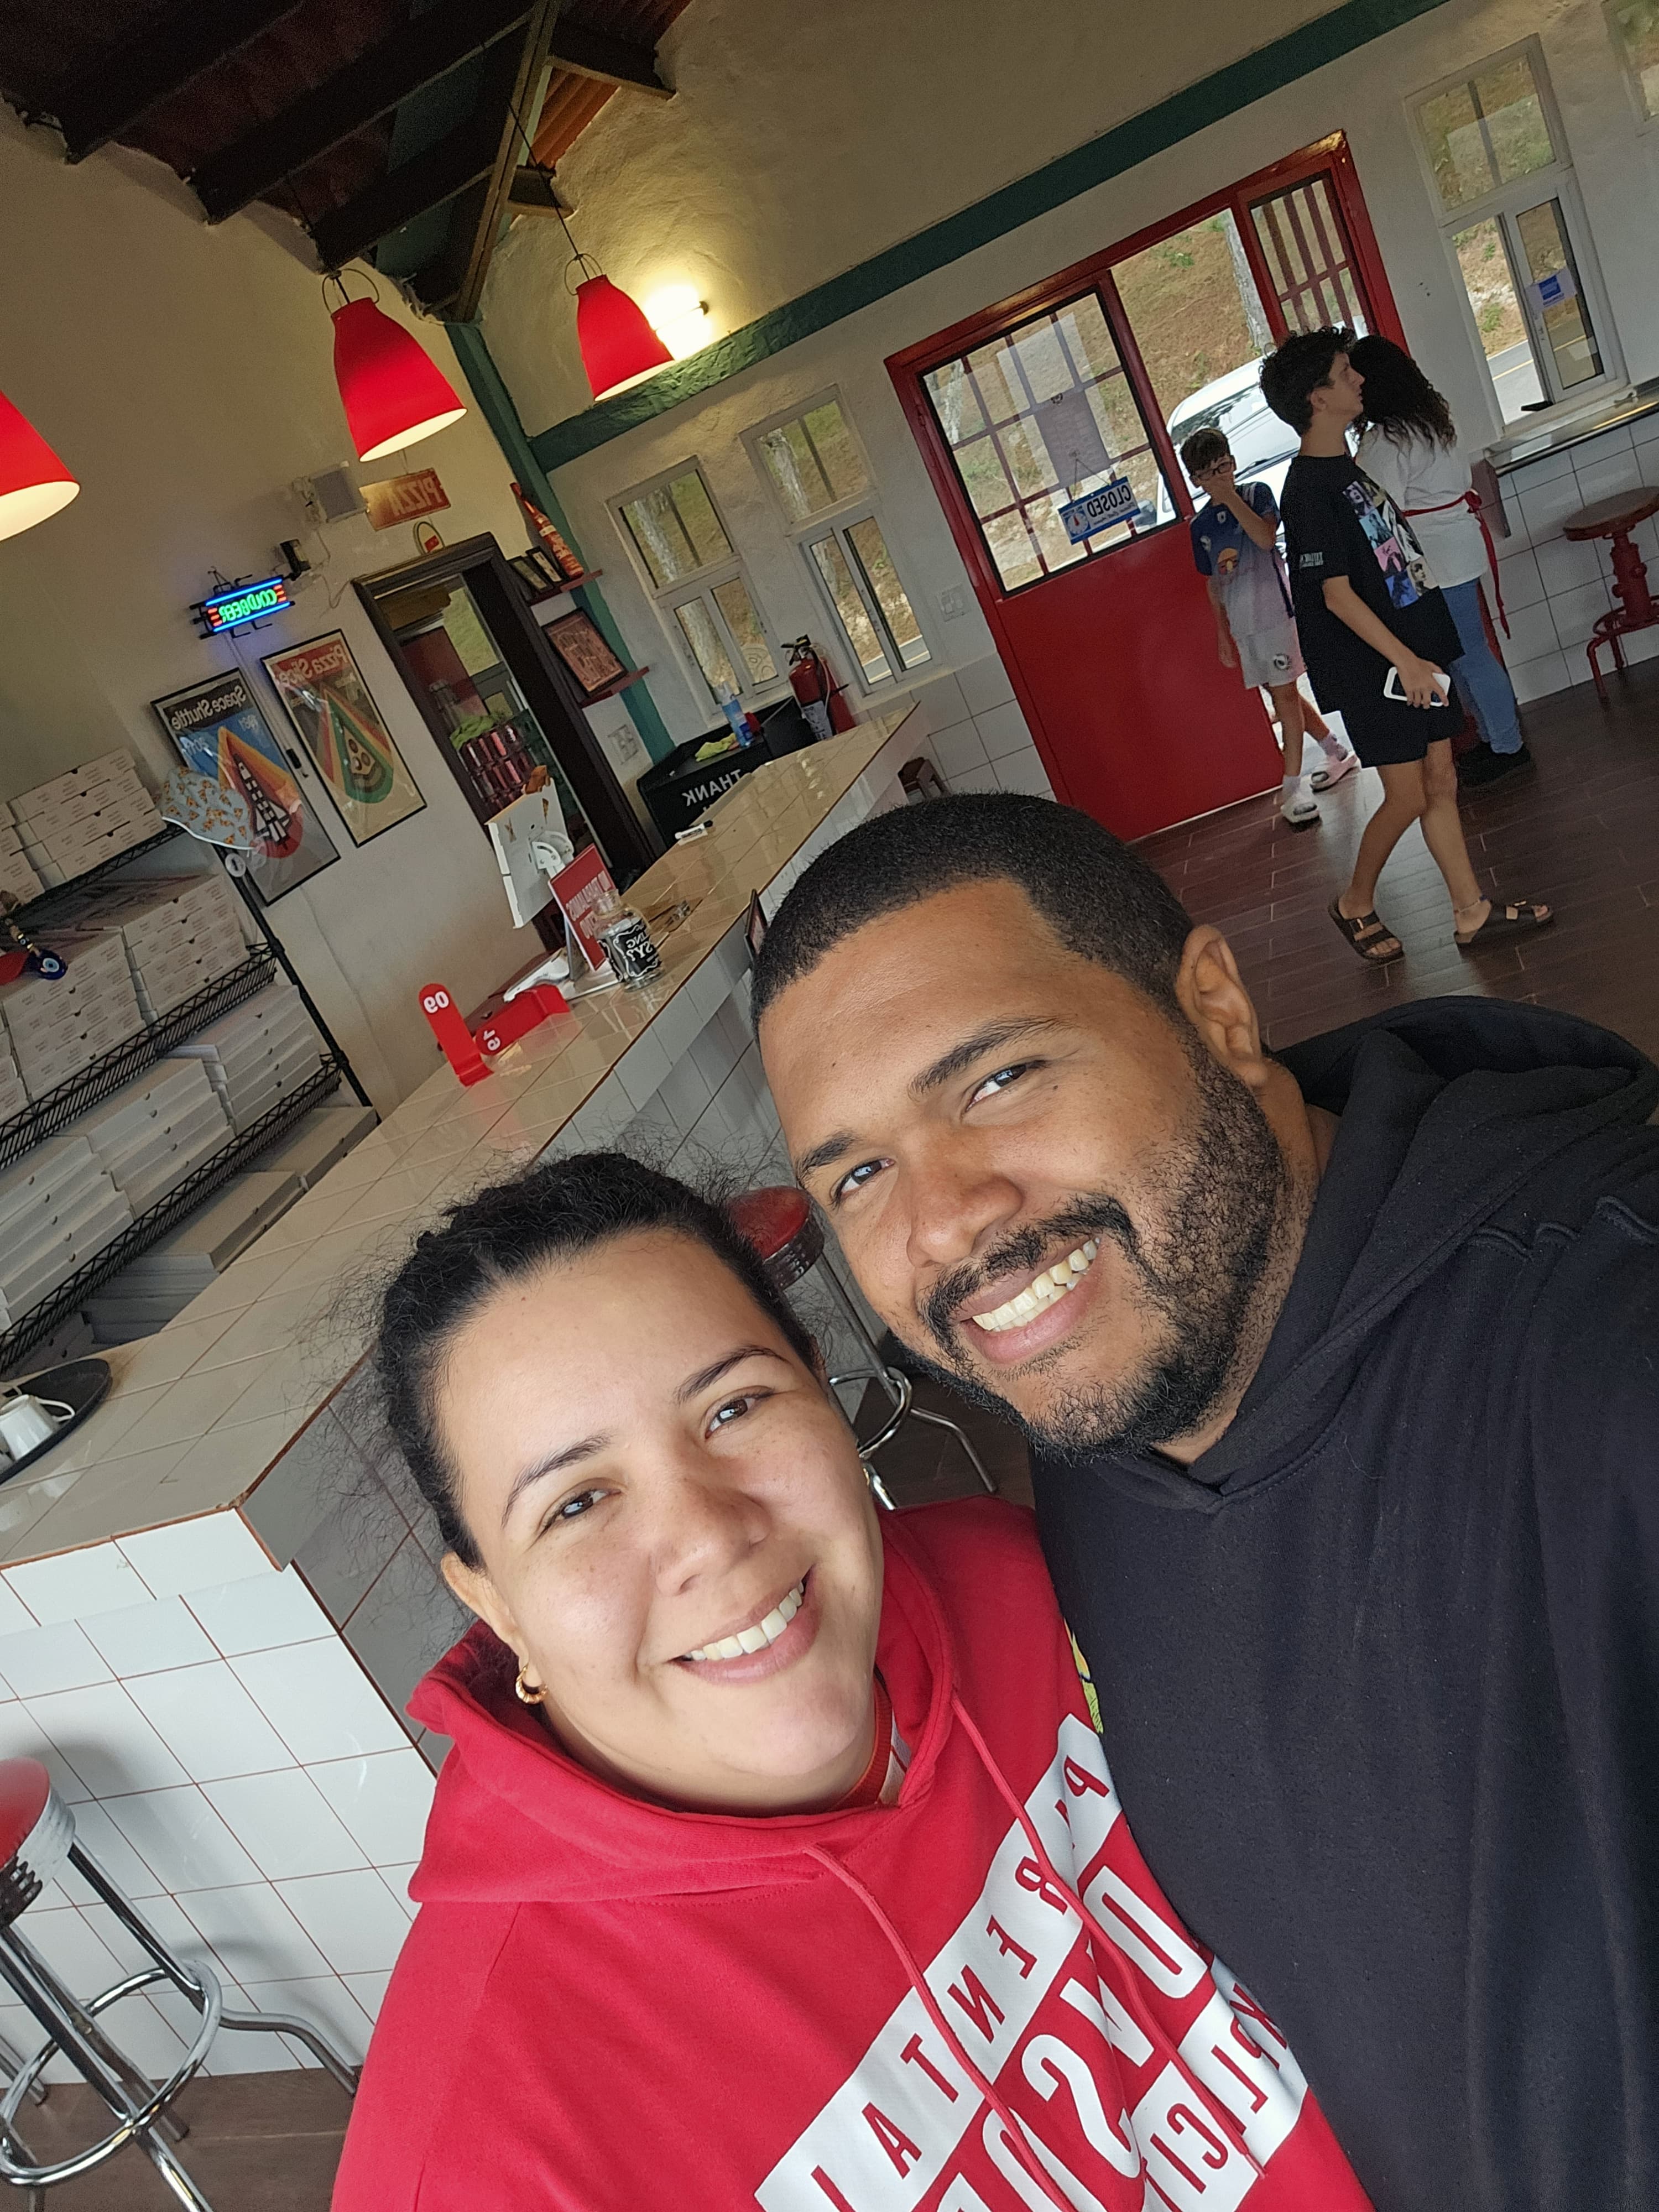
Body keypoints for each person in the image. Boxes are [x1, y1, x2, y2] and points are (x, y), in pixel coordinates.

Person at [753, 789, 1659, 2212]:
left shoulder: (1606, 1347)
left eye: (997, 1079)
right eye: (860, 1173)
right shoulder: (1100, 1428)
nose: (942, 1223)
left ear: (1218, 1011)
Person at [334, 1152, 1368, 2210]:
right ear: (496, 1607)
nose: (712, 1536)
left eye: (734, 1408)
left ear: (822, 1389)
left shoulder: (1028, 1582)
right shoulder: (478, 2164)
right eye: (577, 1503)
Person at [1260, 326, 1551, 963]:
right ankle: (1354, 902)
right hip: (1377, 668)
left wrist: (1423, 651)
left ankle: (1471, 911)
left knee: (1440, 779)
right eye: (1345, 373)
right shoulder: (1307, 490)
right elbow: (1335, 594)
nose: (1360, 379)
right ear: (1317, 398)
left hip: (1415, 651)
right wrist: (1405, 660)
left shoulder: (1349, 467)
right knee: (1409, 794)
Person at [1348, 333, 1530, 790]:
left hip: (1432, 560)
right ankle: (1495, 738)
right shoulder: (1433, 419)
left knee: (1466, 656)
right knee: (1467, 654)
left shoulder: (1387, 439)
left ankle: (1507, 745)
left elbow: (1375, 512)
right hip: (1456, 547)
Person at [1181, 425, 1360, 831]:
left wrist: (1229, 496)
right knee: (1283, 694)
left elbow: (1264, 538)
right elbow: (1213, 583)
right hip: (1243, 625)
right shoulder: (1200, 527)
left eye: (1224, 466)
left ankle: (1292, 788)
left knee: (1284, 697)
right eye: (1208, 474)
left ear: (1233, 462)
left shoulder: (1256, 494)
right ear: (1196, 480)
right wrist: (1222, 634)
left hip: (1276, 615)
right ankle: (1335, 751)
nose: (1219, 477)